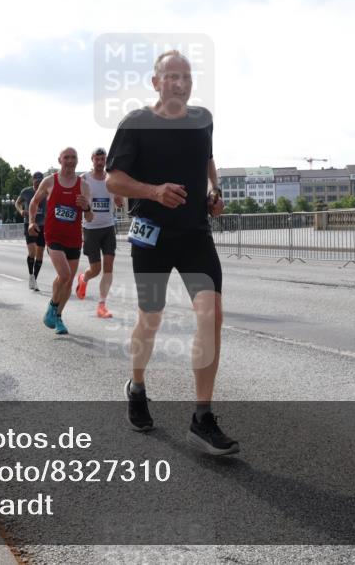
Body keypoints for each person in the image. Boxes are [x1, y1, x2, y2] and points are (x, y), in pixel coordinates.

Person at [105, 49, 238, 456]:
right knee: (151, 317)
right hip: (152, 234)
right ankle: (137, 385)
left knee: (211, 313)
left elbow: (208, 159)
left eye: (186, 76)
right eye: (172, 76)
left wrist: (214, 192)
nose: (180, 83)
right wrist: (153, 191)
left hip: (196, 232)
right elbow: (114, 180)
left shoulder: (203, 120)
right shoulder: (136, 124)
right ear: (155, 81)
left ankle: (202, 417)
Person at [28, 148, 93, 335]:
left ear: (77, 161)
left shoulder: (84, 186)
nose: (70, 161)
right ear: (60, 160)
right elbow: (34, 202)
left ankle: (57, 316)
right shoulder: (50, 181)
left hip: (74, 238)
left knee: (68, 281)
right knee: (64, 275)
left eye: (73, 158)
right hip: (53, 236)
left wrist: (86, 207)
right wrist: (32, 221)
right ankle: (53, 307)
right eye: (67, 157)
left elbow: (89, 218)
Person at [76, 147, 124, 318]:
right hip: (90, 229)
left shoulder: (111, 179)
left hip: (108, 227)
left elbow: (119, 201)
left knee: (109, 267)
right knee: (96, 269)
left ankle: (102, 305)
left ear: (106, 160)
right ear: (92, 159)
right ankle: (84, 278)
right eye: (97, 159)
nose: (100, 162)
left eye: (103, 159)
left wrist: (119, 200)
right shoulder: (84, 179)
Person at [16, 171, 47, 291]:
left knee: (40, 253)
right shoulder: (26, 191)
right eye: (36, 179)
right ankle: (31, 275)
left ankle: (35, 279)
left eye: (40, 179)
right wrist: (21, 211)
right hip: (29, 223)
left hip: (43, 224)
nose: (38, 181)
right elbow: (18, 202)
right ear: (32, 180)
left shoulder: (47, 191)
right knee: (32, 251)